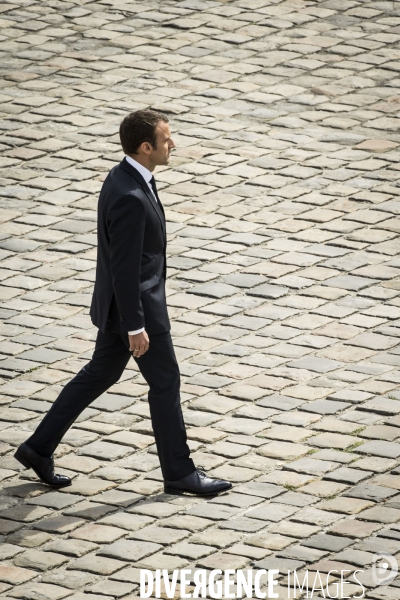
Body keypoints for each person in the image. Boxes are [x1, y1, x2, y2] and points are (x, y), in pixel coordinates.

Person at [14, 109, 232, 497]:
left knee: (100, 374)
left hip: (119, 308)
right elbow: (125, 268)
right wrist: (136, 326)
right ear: (146, 147)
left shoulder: (124, 177)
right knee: (165, 382)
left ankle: (38, 448)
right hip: (137, 310)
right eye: (167, 139)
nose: (173, 144)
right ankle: (179, 472)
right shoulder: (130, 195)